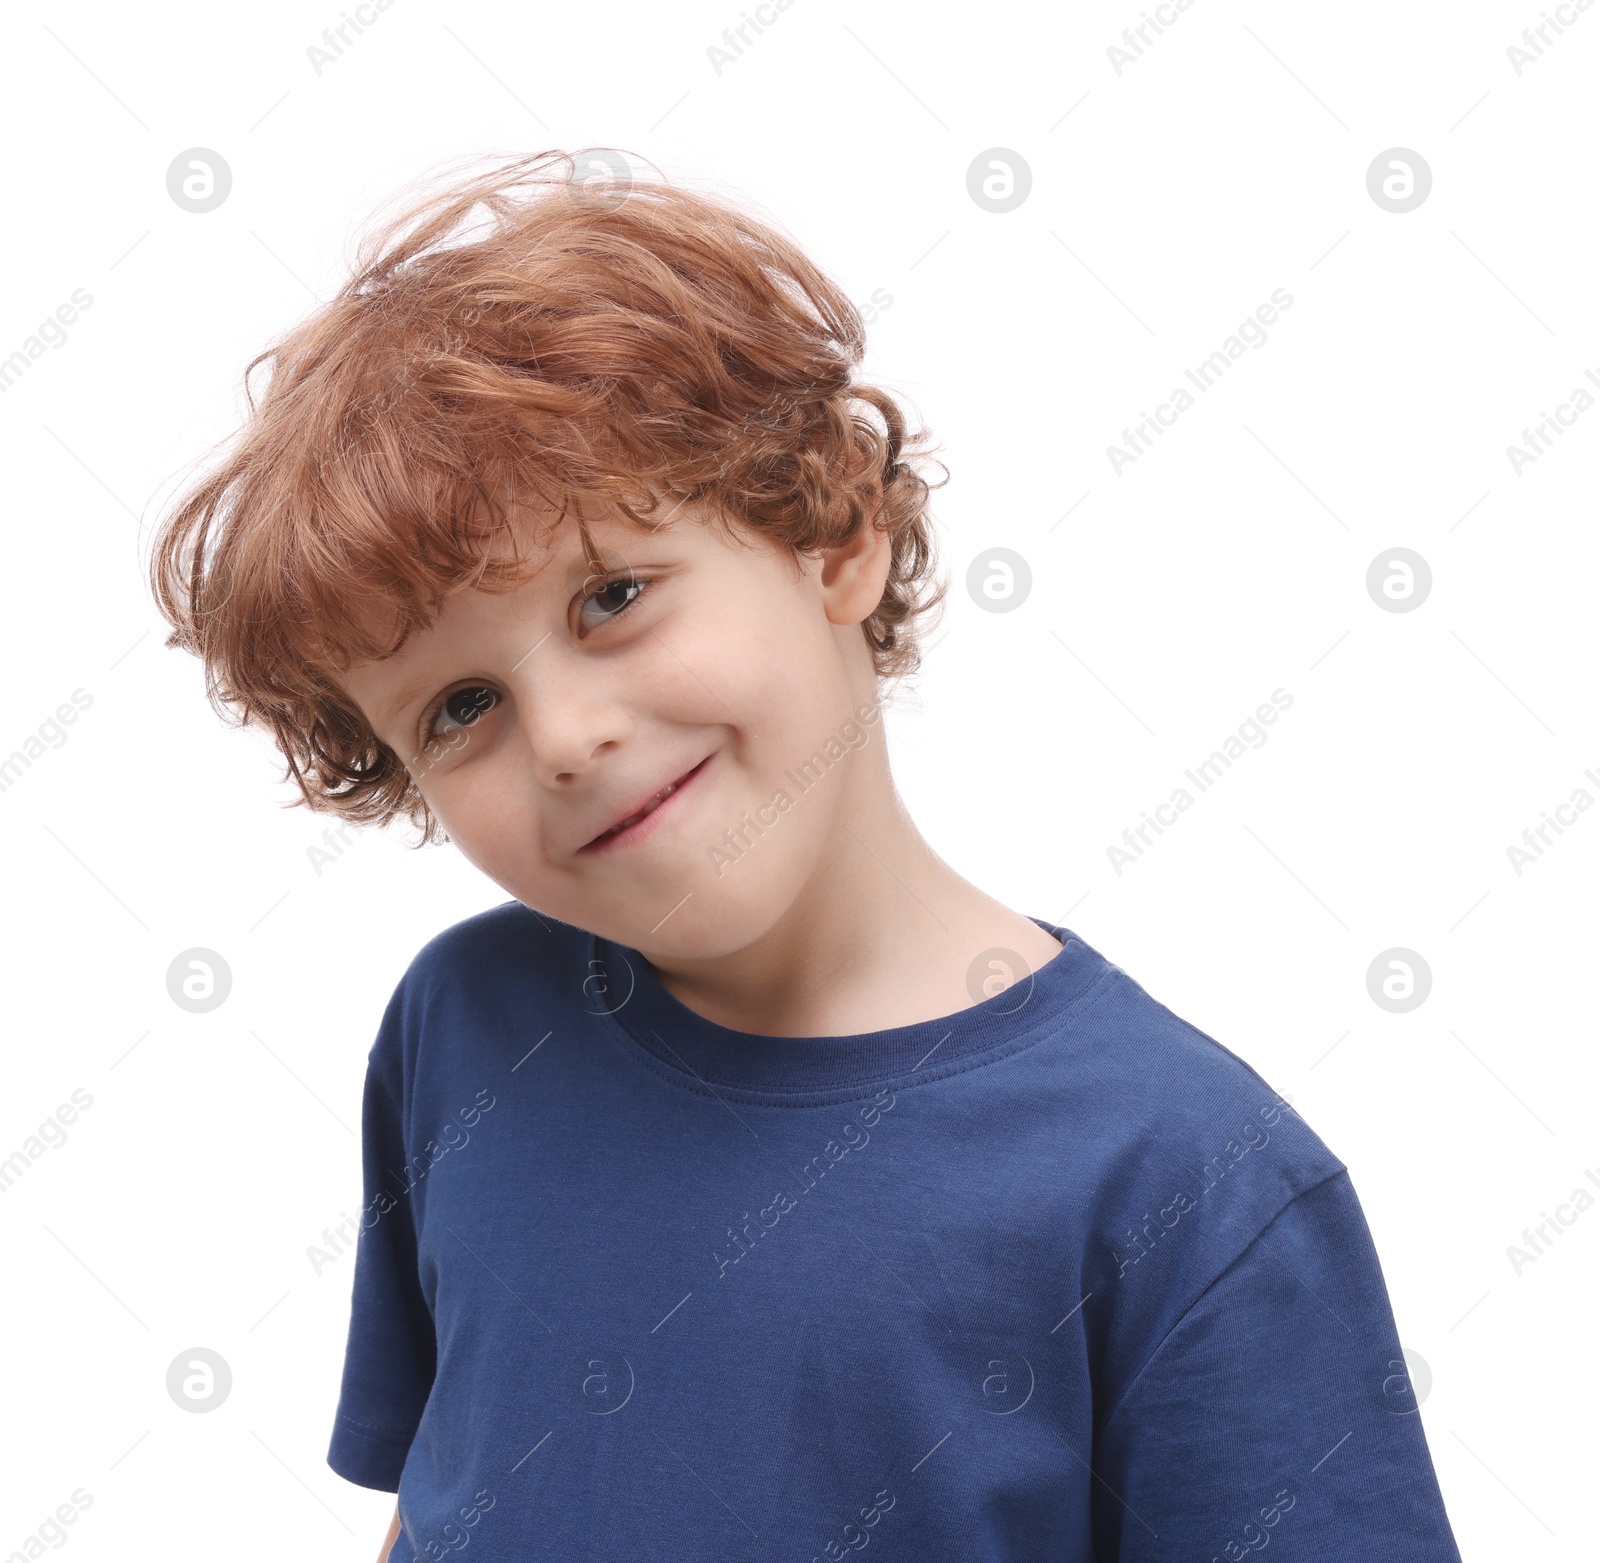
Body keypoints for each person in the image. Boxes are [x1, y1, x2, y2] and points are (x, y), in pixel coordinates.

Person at [148, 147, 1463, 1562]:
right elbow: (447, 1499)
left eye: (612, 596)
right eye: (460, 707)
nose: (567, 737)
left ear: (831, 535)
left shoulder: (1187, 1182)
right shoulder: (465, 1030)